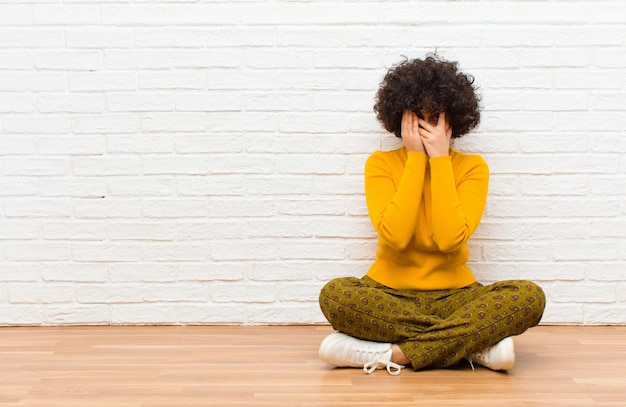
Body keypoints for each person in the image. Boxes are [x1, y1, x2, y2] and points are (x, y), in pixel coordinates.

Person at [318, 55, 546, 375]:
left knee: (529, 297)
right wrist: (415, 160)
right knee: (336, 296)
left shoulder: (471, 168)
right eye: (418, 117)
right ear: (400, 116)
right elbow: (395, 237)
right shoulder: (381, 164)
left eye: (435, 117)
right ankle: (473, 345)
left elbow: (450, 240)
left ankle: (396, 354)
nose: (427, 128)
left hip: (457, 296)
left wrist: (439, 160)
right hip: (386, 294)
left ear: (452, 120)